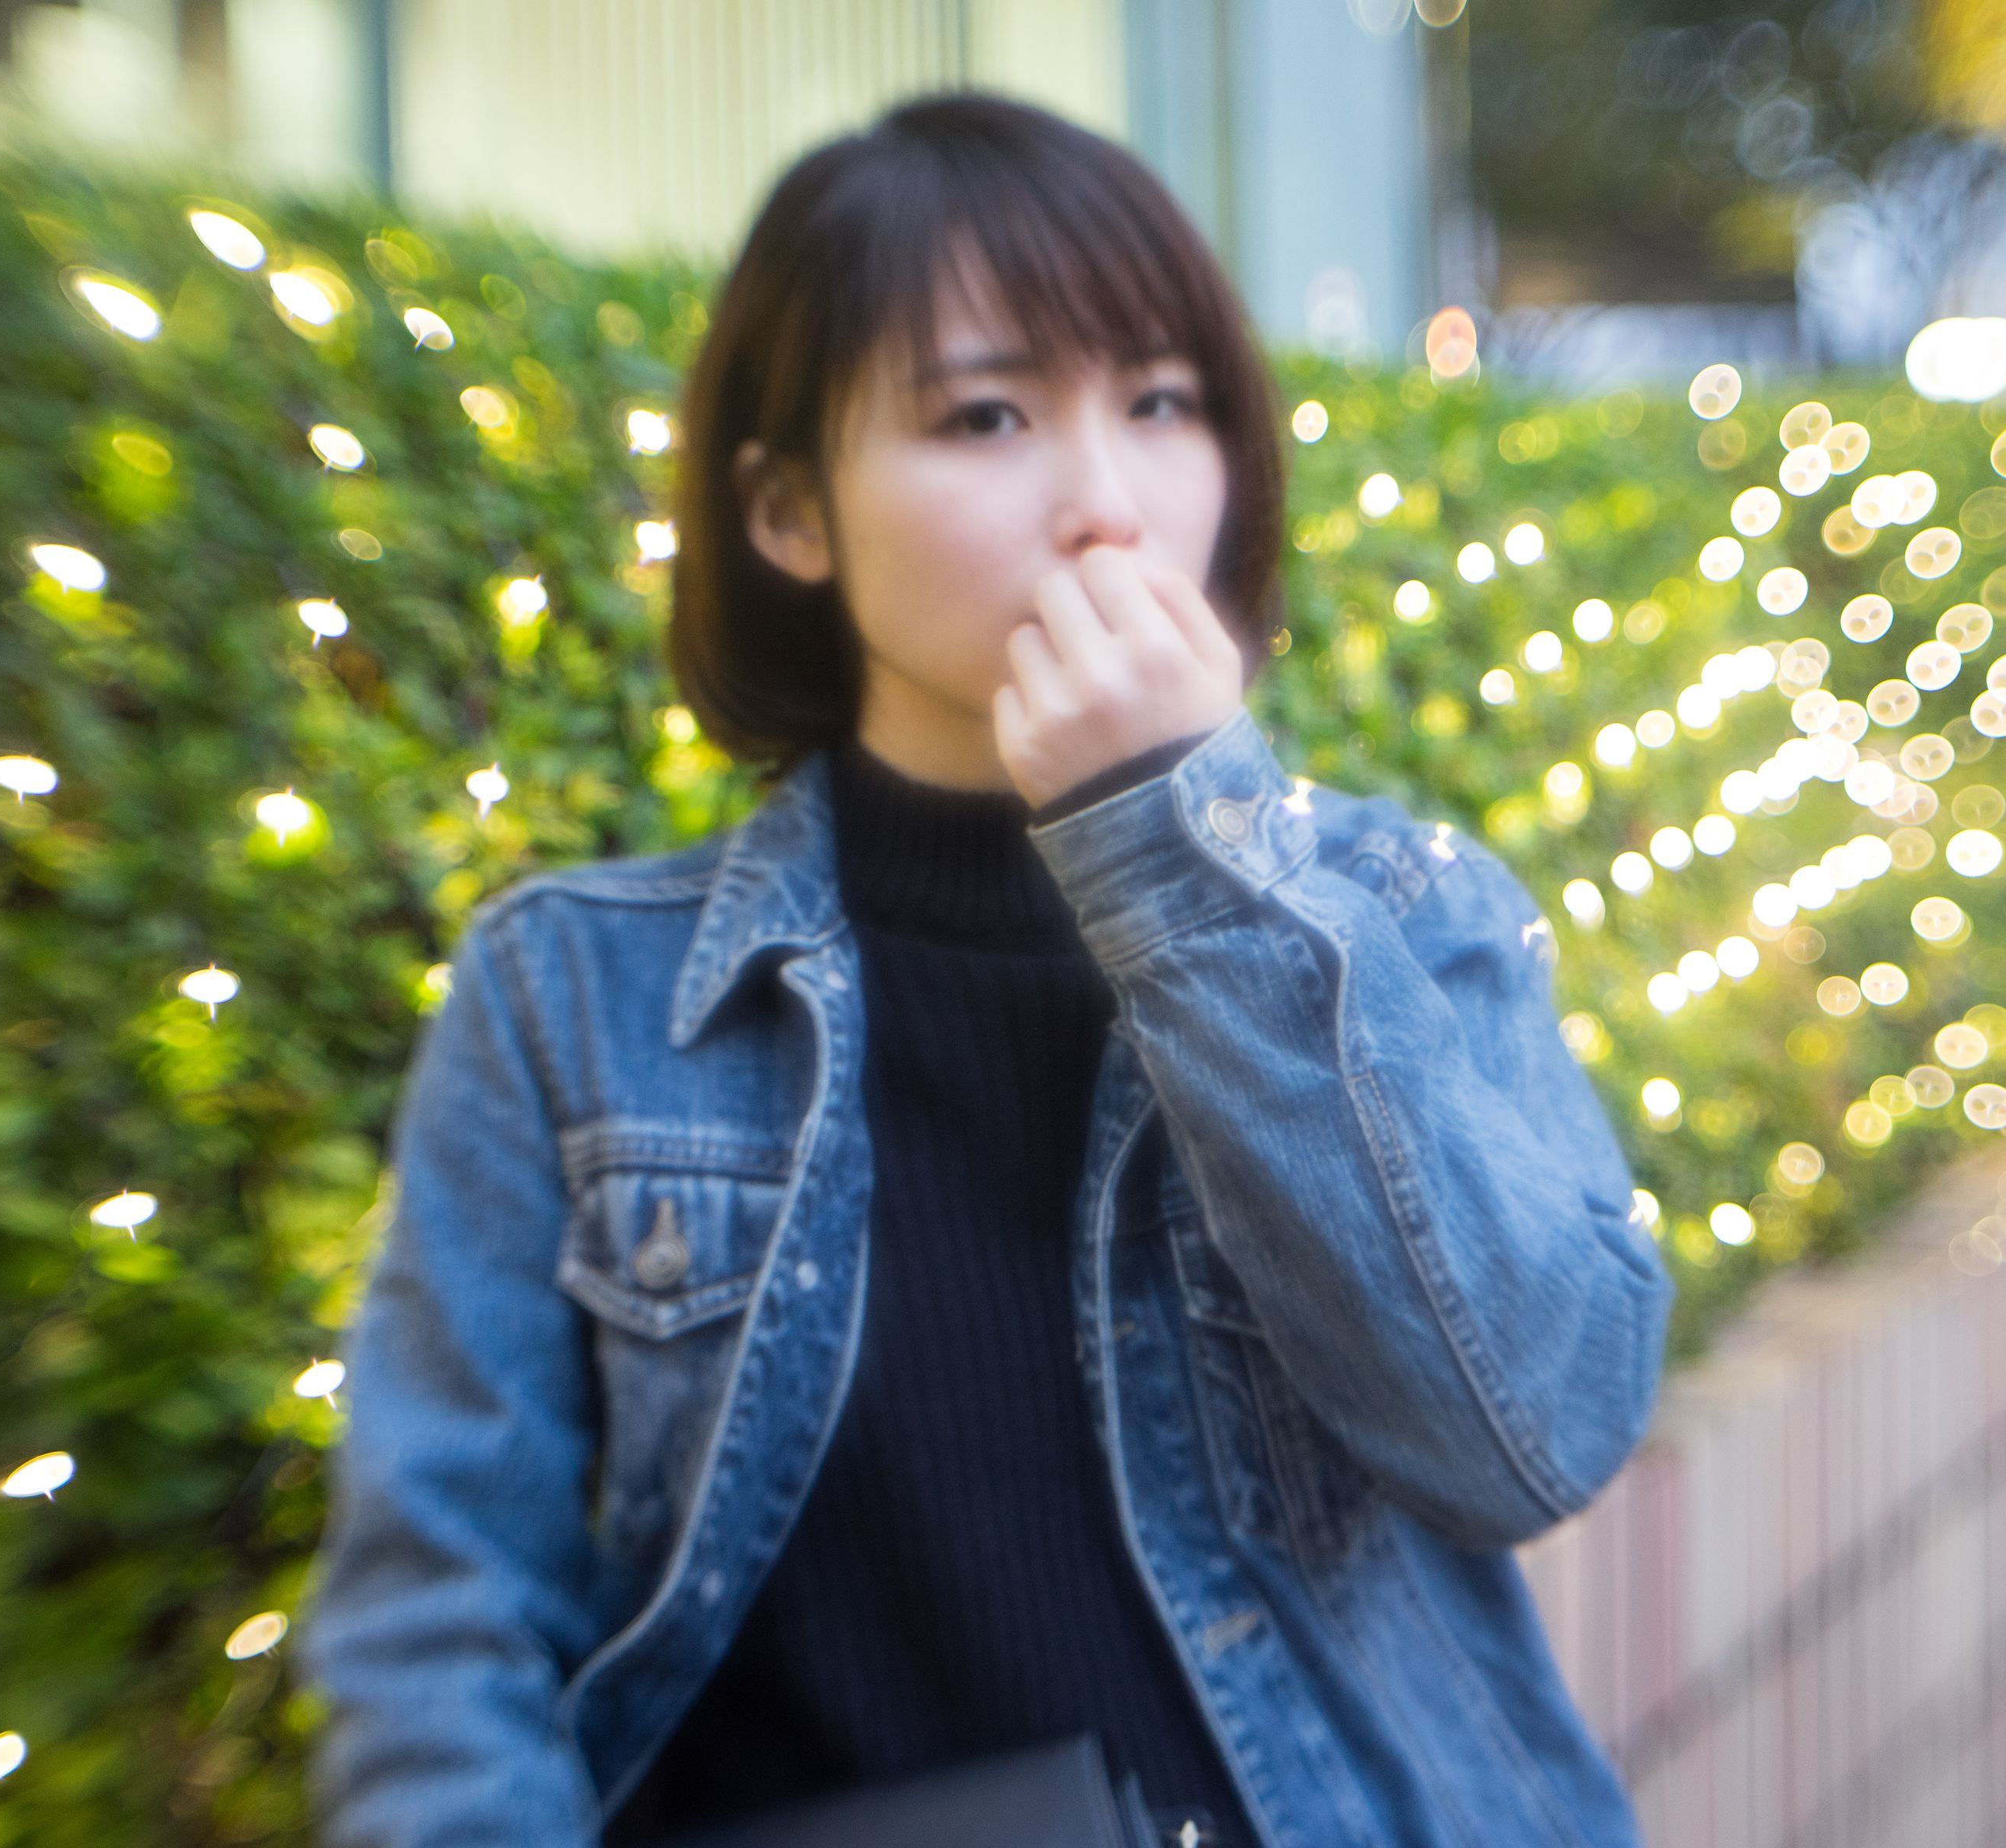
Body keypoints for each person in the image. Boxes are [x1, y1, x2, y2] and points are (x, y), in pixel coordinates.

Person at [304, 91, 1674, 1848]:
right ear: (789, 509)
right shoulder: (570, 996)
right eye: (986, 414)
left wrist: (1175, 849)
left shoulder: (1403, 906)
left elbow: (1534, 1435)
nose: (1106, 503)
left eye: (1162, 402)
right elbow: (440, 1620)